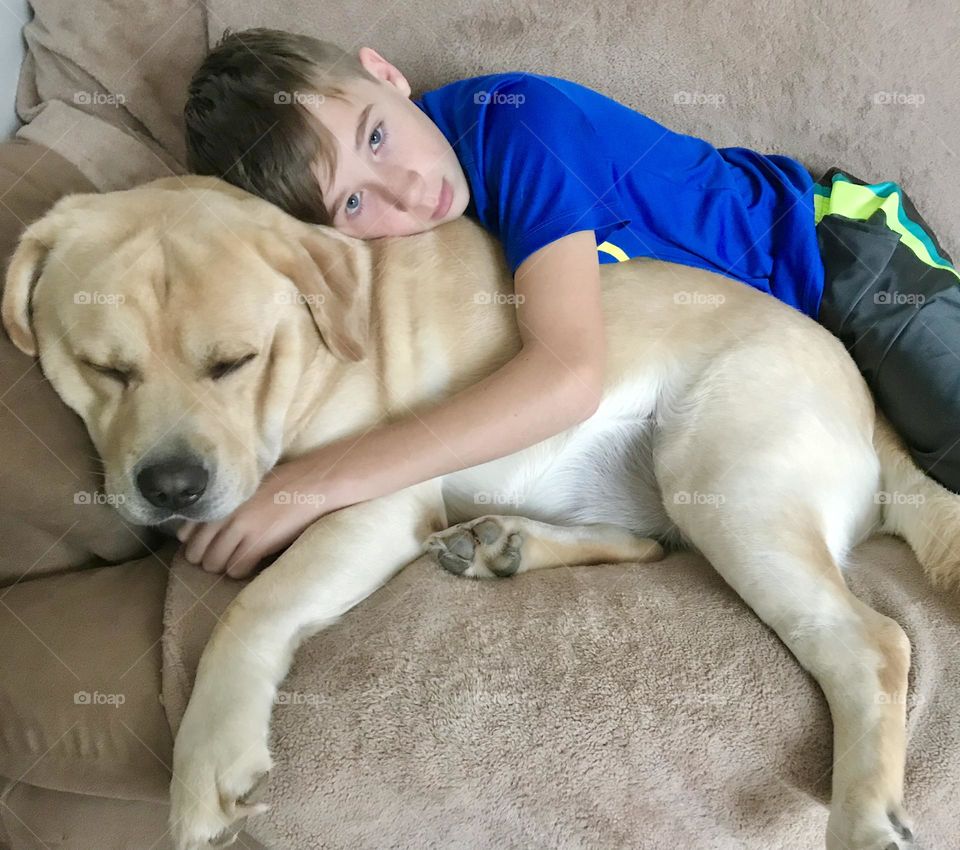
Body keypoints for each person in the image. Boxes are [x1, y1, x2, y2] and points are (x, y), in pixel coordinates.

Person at [178, 27, 960, 577]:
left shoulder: (520, 127)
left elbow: (567, 375)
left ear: (385, 74)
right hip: (755, 378)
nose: (407, 191)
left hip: (833, 256)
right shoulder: (426, 250)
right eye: (353, 204)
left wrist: (317, 482)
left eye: (377, 137)